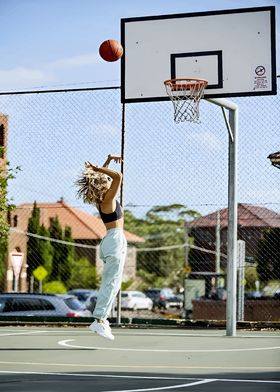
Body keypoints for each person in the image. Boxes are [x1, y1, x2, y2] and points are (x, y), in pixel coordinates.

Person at [76, 154, 127, 340]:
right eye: (103, 178)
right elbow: (118, 177)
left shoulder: (101, 199)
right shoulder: (107, 199)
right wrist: (98, 168)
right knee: (112, 282)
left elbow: (104, 178)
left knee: (113, 282)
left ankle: (102, 320)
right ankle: (99, 321)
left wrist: (106, 161)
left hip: (110, 240)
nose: (107, 179)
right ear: (101, 184)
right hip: (114, 239)